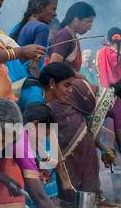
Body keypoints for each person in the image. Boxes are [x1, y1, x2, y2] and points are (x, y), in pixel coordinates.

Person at [39, 61, 101, 199]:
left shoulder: (50, 104)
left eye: (71, 86)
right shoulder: (36, 101)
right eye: (67, 85)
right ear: (52, 83)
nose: (71, 90)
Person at [48, 2, 96, 70]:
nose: (90, 28)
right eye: (88, 22)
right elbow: (54, 66)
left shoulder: (74, 38)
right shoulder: (64, 35)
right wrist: (76, 75)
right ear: (76, 20)